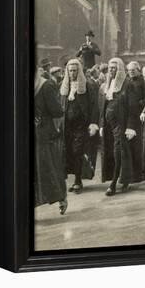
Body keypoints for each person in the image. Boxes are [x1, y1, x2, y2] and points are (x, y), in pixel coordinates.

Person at [60, 59, 99, 194]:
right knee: (70, 152)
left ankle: (78, 180)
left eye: (75, 70)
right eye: (70, 70)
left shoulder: (88, 86)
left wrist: (93, 123)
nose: (72, 73)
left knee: (78, 151)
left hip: (81, 125)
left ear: (79, 71)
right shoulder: (63, 86)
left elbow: (94, 106)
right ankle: (75, 179)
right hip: (67, 125)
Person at [99, 58, 137, 196]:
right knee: (110, 152)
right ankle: (119, 178)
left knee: (118, 151)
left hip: (120, 124)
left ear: (120, 69)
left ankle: (114, 183)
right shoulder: (106, 84)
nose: (111, 70)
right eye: (109, 68)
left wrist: (131, 126)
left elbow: (133, 108)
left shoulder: (128, 85)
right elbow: (103, 106)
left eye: (114, 68)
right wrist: (102, 124)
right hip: (109, 124)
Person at [34, 67, 67, 215]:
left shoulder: (45, 86)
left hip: (44, 135)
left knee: (50, 166)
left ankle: (61, 198)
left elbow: (57, 111)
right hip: (37, 133)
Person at [126, 61, 145, 183]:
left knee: (138, 145)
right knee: (130, 145)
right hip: (129, 117)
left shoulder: (142, 82)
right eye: (129, 70)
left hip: (139, 117)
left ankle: (139, 173)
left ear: (138, 70)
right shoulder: (127, 82)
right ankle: (132, 172)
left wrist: (142, 106)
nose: (131, 72)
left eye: (133, 70)